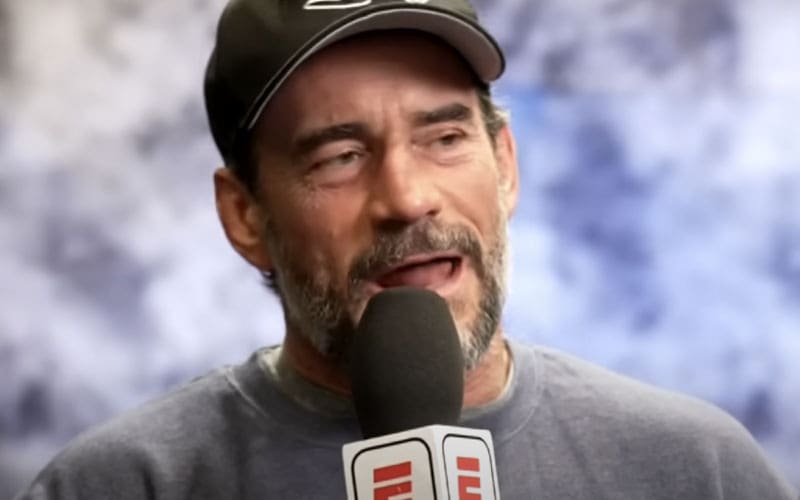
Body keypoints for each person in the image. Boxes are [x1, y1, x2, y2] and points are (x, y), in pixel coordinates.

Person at [15, 0, 798, 498]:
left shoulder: (697, 472)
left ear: (506, 166)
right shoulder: (119, 486)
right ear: (245, 216)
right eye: (339, 156)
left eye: (445, 138)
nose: (407, 197)